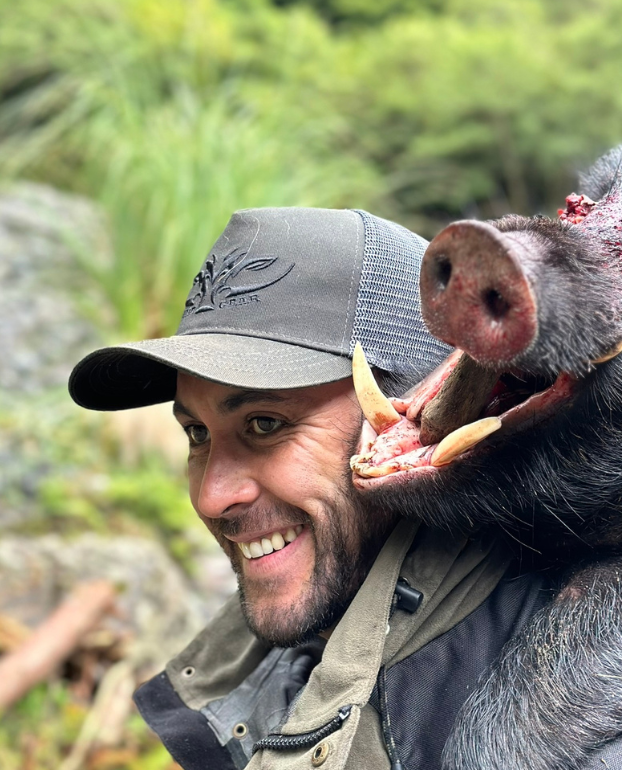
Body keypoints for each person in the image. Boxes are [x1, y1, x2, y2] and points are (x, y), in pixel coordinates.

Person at [69, 207, 553, 770]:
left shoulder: (579, 724)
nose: (210, 496)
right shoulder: (287, 661)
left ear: (423, 426)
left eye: (266, 424)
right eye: (196, 433)